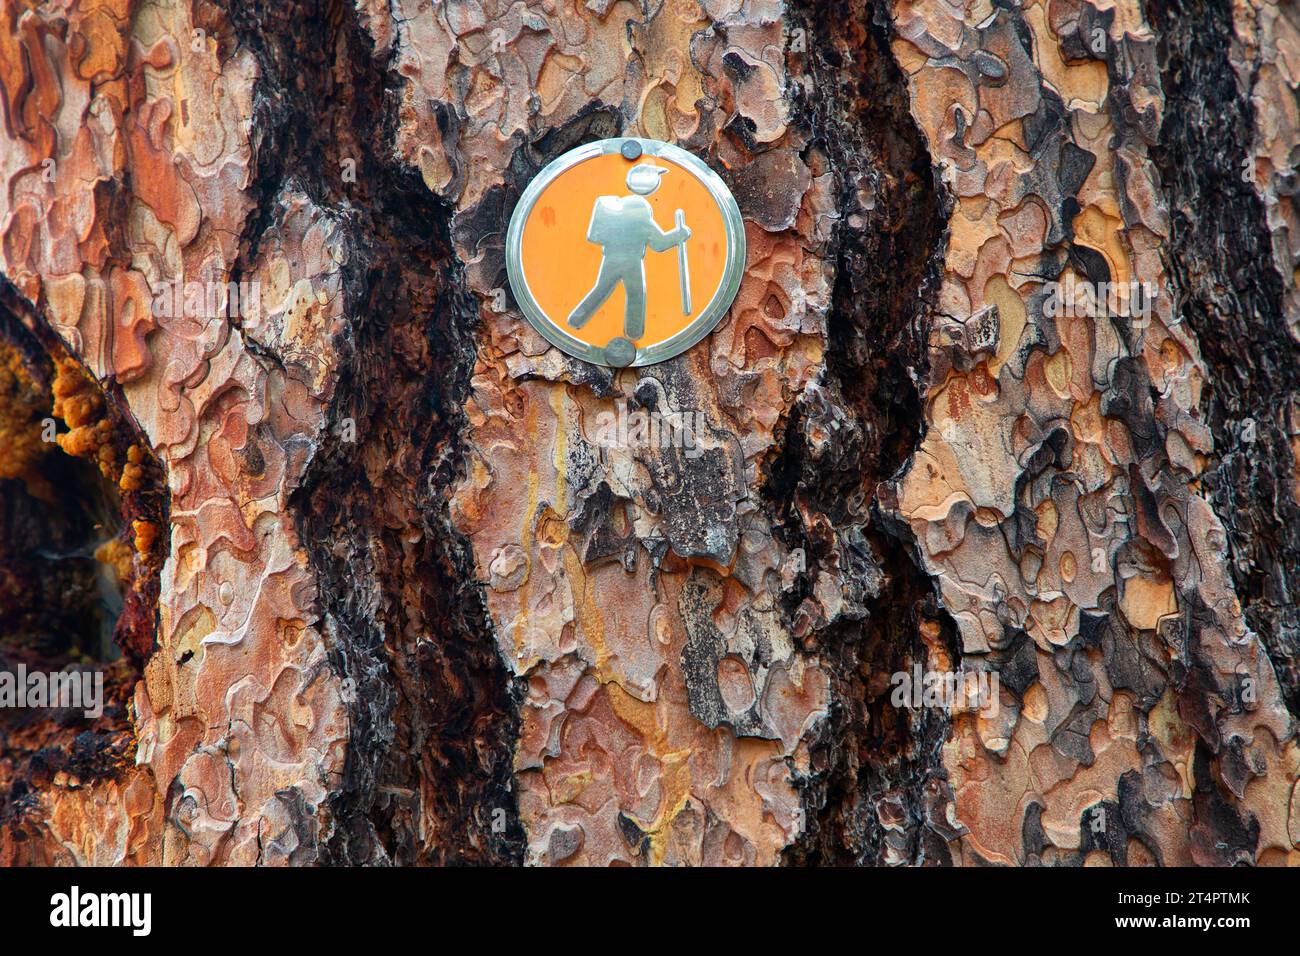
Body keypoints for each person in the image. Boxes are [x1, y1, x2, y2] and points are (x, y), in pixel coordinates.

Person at [567, 164, 691, 339]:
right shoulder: (644, 222)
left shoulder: (614, 221)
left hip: (610, 260)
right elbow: (660, 244)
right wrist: (680, 235)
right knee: (636, 293)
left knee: (601, 289)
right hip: (632, 263)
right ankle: (633, 331)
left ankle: (575, 320)